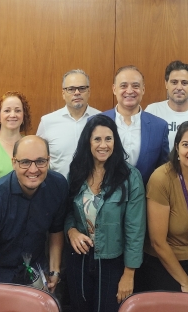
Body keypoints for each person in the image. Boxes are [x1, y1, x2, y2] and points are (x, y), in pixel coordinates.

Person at [65, 114, 146, 312]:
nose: (103, 145)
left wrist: (129, 274)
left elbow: (135, 229)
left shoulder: (130, 177)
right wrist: (71, 231)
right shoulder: (76, 172)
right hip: (79, 259)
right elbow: (66, 212)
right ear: (88, 142)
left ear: (115, 141)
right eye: (97, 139)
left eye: (108, 139)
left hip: (113, 262)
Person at [0, 136, 68, 290]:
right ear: (14, 163)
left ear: (48, 161)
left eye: (40, 161)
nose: (33, 169)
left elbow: (56, 230)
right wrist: (10, 301)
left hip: (37, 271)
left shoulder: (58, 185)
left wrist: (54, 271)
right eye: (25, 162)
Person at [138, 121, 188, 295]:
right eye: (186, 145)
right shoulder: (161, 178)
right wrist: (185, 283)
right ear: (176, 147)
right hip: (161, 263)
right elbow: (158, 243)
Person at [102, 66, 169, 186]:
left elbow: (163, 170)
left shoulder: (159, 127)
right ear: (114, 89)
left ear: (143, 89)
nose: (129, 91)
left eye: (135, 86)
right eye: (123, 86)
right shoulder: (96, 123)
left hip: (145, 194)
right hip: (105, 194)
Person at [37, 69, 101, 176]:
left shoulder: (102, 119)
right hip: (59, 185)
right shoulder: (47, 122)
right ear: (63, 93)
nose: (77, 93)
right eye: (71, 89)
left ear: (89, 92)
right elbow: (38, 157)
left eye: (82, 88)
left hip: (95, 185)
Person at [145, 60, 188, 145]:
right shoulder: (152, 111)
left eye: (184, 83)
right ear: (166, 84)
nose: (179, 87)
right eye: (174, 82)